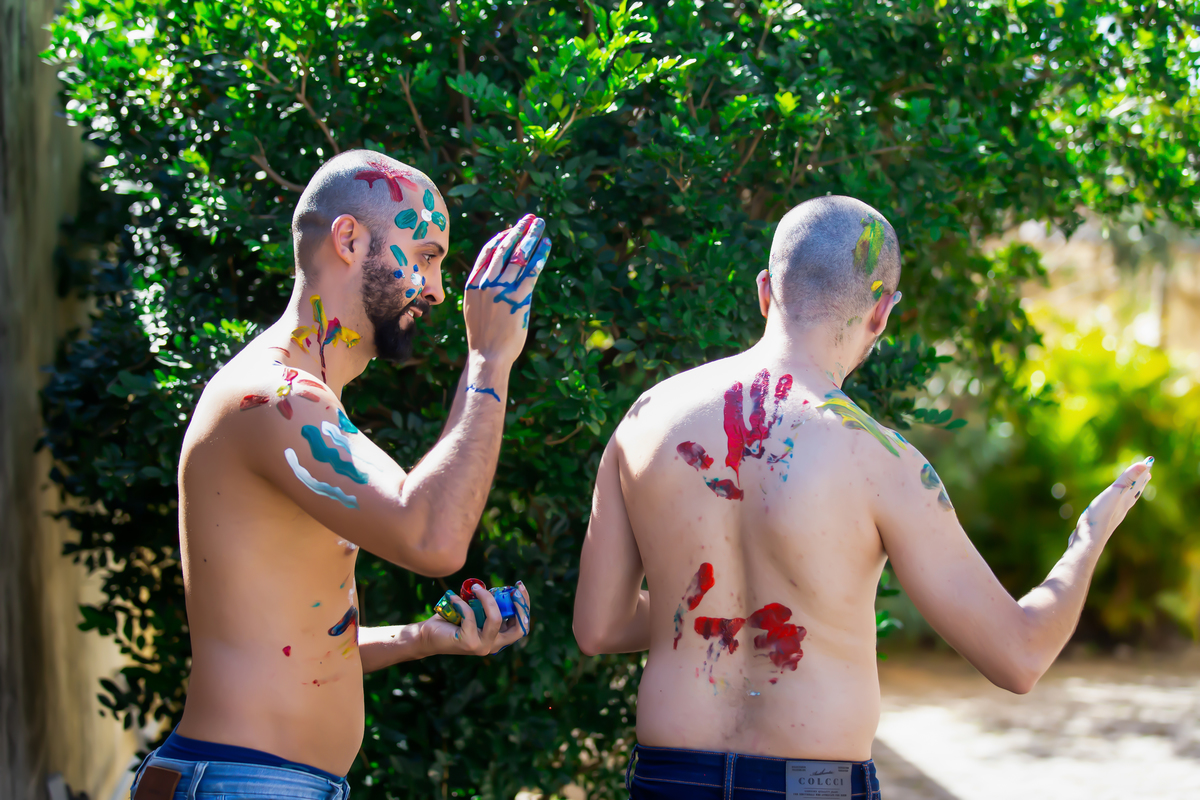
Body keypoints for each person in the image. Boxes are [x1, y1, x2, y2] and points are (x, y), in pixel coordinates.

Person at [572, 195, 1154, 800]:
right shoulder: (884, 462)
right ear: (880, 312)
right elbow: (1019, 656)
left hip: (671, 777)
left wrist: (699, 615)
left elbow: (598, 625)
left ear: (766, 291)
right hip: (812, 786)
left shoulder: (644, 422)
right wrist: (1089, 538)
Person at [128, 150, 551, 800]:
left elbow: (290, 640)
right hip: (243, 783)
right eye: (429, 254)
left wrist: (421, 639)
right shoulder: (274, 398)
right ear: (350, 239)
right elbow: (432, 539)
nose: (438, 289)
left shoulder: (299, 399)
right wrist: (490, 356)